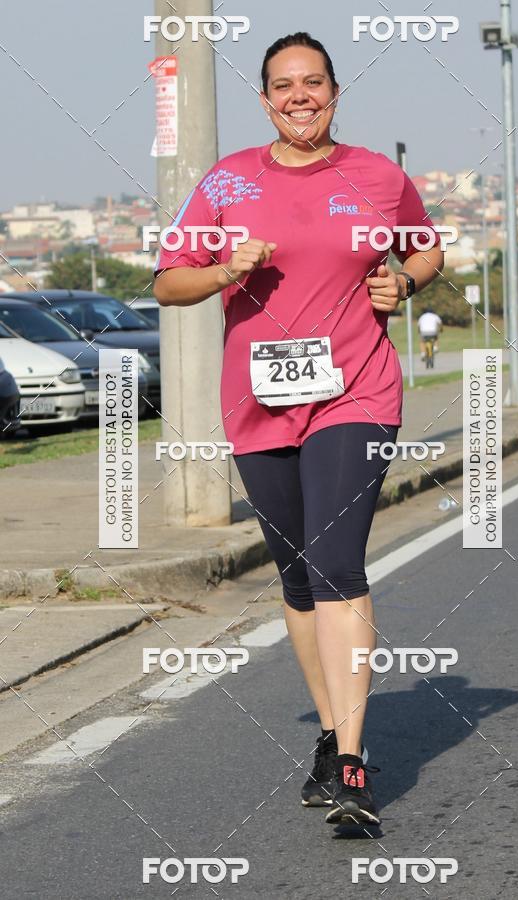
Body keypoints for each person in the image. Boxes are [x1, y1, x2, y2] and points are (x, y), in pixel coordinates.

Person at [154, 32, 444, 827]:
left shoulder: (378, 177)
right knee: (295, 575)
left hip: (357, 392)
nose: (298, 97)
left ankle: (351, 764)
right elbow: (168, 282)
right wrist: (223, 270)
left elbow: (427, 248)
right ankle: (328, 732)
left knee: (335, 563)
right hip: (260, 404)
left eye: (312, 83)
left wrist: (402, 283)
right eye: (283, 86)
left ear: (335, 92)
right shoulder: (225, 181)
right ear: (265, 100)